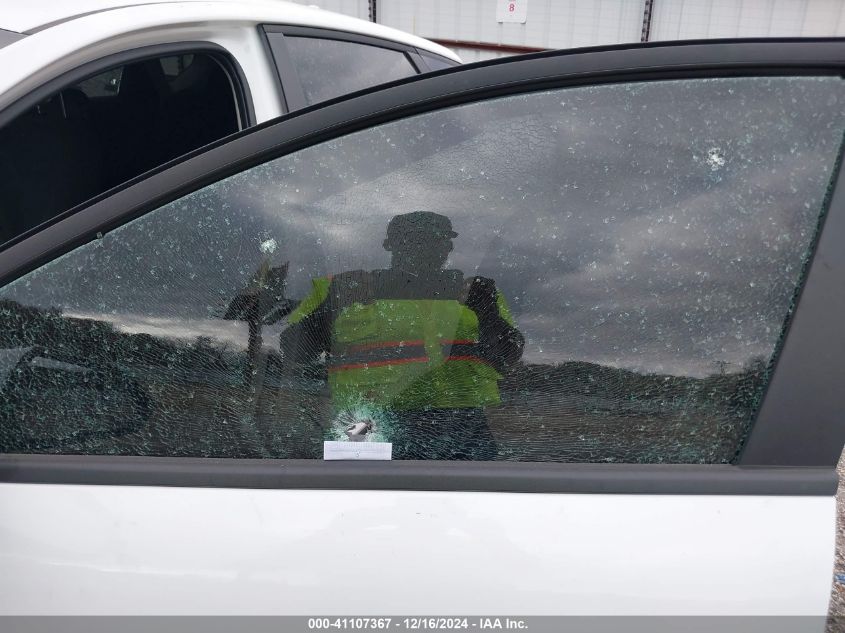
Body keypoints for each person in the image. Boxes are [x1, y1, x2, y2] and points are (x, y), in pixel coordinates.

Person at [280, 211, 523, 460]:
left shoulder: (478, 292)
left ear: (449, 246)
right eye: (412, 239)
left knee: (475, 486)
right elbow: (294, 351)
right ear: (389, 244)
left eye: (436, 240)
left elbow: (507, 357)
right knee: (356, 484)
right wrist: (331, 304)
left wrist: (488, 312)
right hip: (366, 421)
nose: (424, 247)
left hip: (463, 424)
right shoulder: (340, 288)